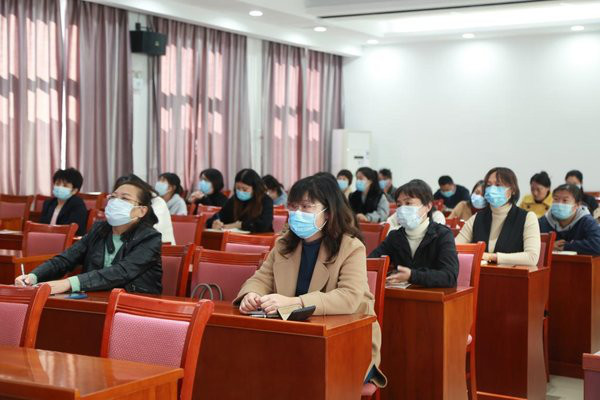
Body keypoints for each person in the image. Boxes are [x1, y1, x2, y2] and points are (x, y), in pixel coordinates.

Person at [234, 174, 386, 387]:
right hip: (295, 336)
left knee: (297, 376)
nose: (298, 214)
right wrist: (252, 294)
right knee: (250, 366)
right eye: (293, 207)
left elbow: (349, 297)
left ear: (328, 212)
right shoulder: (284, 244)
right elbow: (261, 278)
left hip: (348, 340)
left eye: (306, 207)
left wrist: (295, 303)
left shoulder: (351, 247)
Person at [15, 176, 163, 294]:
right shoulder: (98, 230)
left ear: (142, 210)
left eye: (125, 198)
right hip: (94, 299)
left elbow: (122, 272)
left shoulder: (150, 238)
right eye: (113, 197)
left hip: (134, 306)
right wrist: (33, 277)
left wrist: (69, 283)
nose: (116, 202)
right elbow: (66, 259)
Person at [370, 180, 458, 287]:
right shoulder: (395, 236)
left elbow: (449, 276)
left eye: (408, 203)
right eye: (399, 205)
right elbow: (371, 262)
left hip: (434, 294)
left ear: (428, 206)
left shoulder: (442, 235)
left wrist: (412, 276)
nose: (402, 209)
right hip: (401, 294)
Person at [456, 167, 540, 266]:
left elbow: (532, 257)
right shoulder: (477, 217)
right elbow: (455, 247)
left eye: (498, 185)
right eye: (488, 185)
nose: (492, 189)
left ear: (512, 190)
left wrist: (492, 257)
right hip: (481, 273)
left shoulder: (527, 218)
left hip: (511, 273)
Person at [539, 184, 600, 255]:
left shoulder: (587, 221)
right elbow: (530, 242)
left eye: (565, 200)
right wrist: (549, 245)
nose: (559, 204)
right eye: (556, 199)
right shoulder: (544, 221)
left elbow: (597, 245)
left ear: (577, 205)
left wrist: (567, 246)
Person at [206, 168, 273, 233]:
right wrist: (214, 223)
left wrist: (240, 225)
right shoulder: (234, 200)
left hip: (260, 238)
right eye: (238, 188)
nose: (241, 191)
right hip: (235, 238)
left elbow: (263, 225)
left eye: (245, 189)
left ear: (255, 189)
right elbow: (217, 217)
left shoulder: (265, 200)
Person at [115, 175, 175, 245]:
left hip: (162, 247)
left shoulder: (157, 202)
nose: (119, 200)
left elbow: (153, 228)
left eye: (125, 197)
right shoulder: (118, 205)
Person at [40, 168, 88, 236]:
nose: (60, 187)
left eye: (65, 186)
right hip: (46, 238)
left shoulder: (77, 204)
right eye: (57, 184)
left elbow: (72, 228)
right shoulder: (48, 203)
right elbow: (41, 226)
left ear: (74, 190)